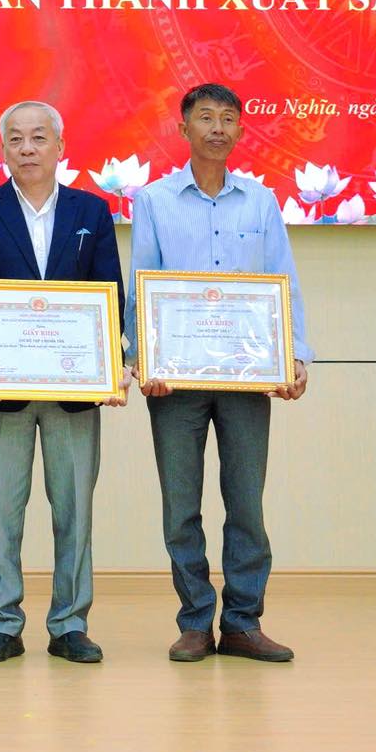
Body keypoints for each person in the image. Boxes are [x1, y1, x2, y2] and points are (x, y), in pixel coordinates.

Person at [126, 82, 313, 664]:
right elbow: (140, 284)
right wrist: (141, 358)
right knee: (181, 506)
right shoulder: (154, 200)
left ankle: (242, 622)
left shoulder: (260, 201)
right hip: (173, 380)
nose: (217, 128)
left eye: (228, 118)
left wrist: (294, 355)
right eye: (205, 117)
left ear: (240, 130)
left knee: (246, 503)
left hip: (246, 377)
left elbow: (284, 281)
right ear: (183, 128)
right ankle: (194, 623)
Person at [0, 100, 126, 665]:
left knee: (75, 510)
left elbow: (109, 295)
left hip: (75, 391)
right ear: (3, 149)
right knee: (1, 510)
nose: (27, 148)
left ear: (60, 145)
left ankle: (70, 623)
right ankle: (3, 622)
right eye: (16, 139)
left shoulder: (91, 211)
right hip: (1, 390)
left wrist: (110, 366)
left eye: (39, 137)